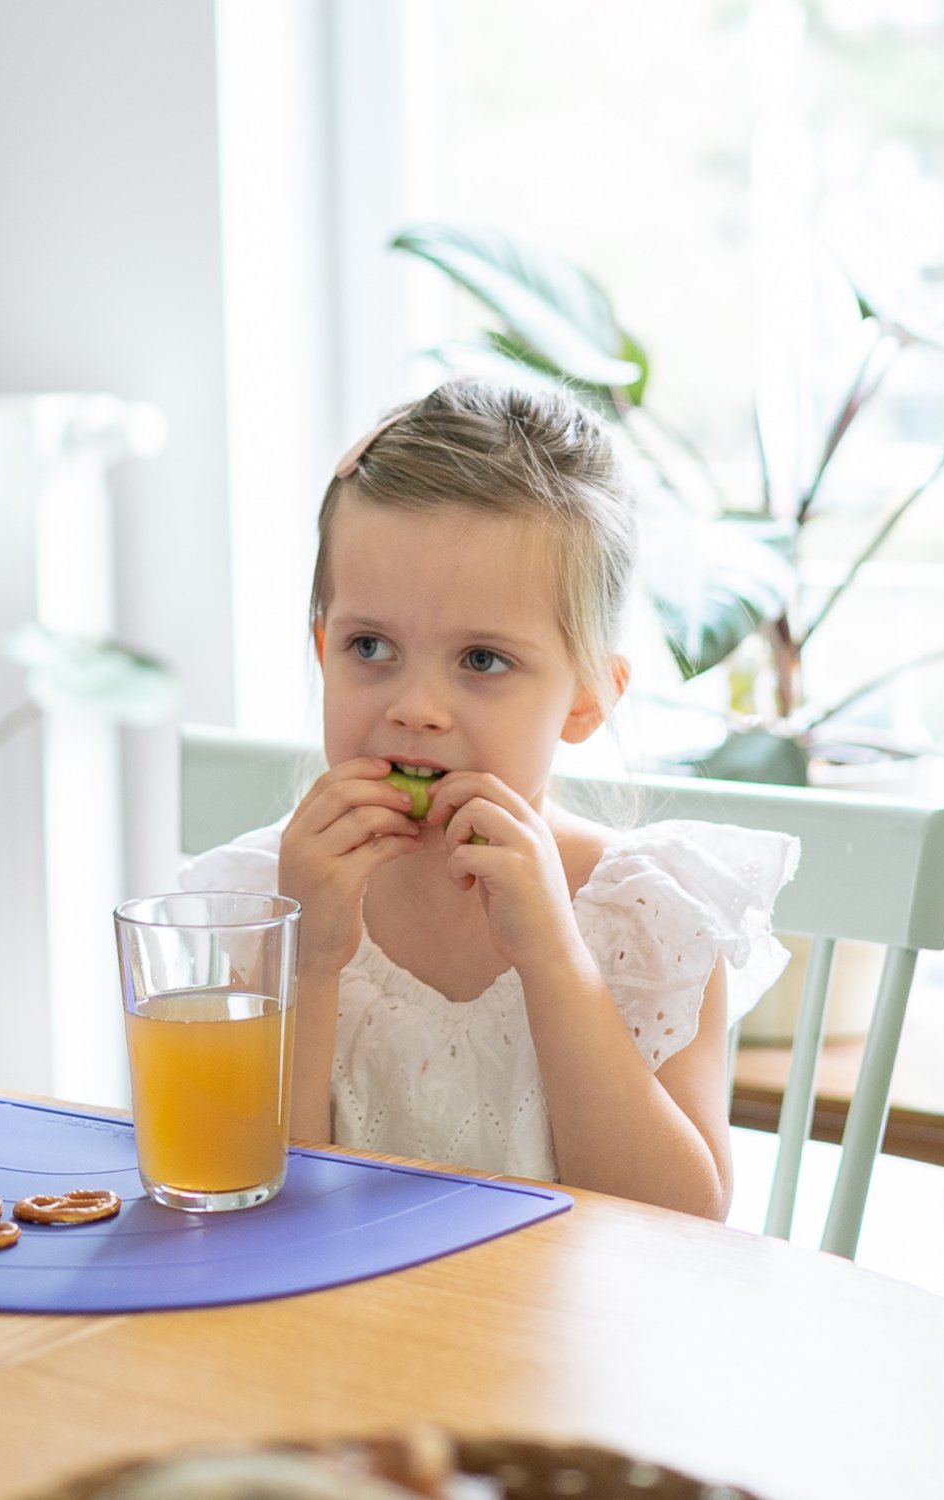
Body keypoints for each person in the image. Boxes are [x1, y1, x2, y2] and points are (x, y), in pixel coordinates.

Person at [180, 374, 799, 1219]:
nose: (415, 707)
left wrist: (554, 959)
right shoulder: (266, 903)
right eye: (370, 646)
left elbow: (684, 1224)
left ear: (587, 698)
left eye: (482, 660)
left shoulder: (648, 914)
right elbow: (243, 1200)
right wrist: (308, 965)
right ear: (323, 650)